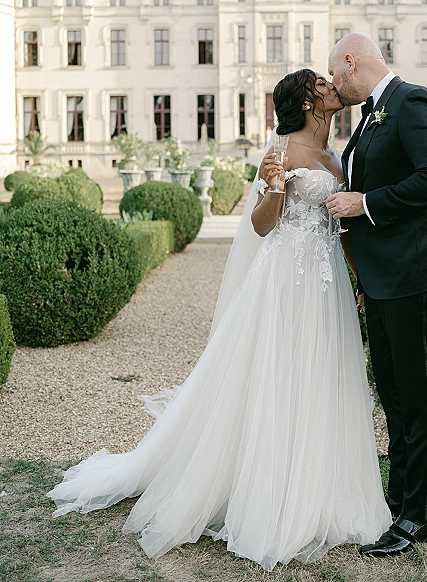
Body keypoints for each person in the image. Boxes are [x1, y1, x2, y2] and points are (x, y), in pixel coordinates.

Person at [47, 68, 390, 571]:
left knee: (321, 375)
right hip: (284, 280)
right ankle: (266, 487)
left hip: (327, 283)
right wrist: (276, 187)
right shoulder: (282, 152)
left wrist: (360, 281)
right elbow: (261, 225)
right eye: (320, 82)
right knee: (274, 374)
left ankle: (319, 483)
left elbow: (341, 229)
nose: (330, 84)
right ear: (307, 101)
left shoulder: (337, 156)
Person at [326, 33, 427, 559]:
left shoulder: (413, 101)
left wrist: (365, 203)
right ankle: (399, 499)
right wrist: (364, 280)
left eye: (334, 75)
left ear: (351, 62)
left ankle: (417, 518)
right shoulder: (369, 118)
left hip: (416, 275)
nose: (333, 85)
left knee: (418, 395)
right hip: (382, 281)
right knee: (396, 397)